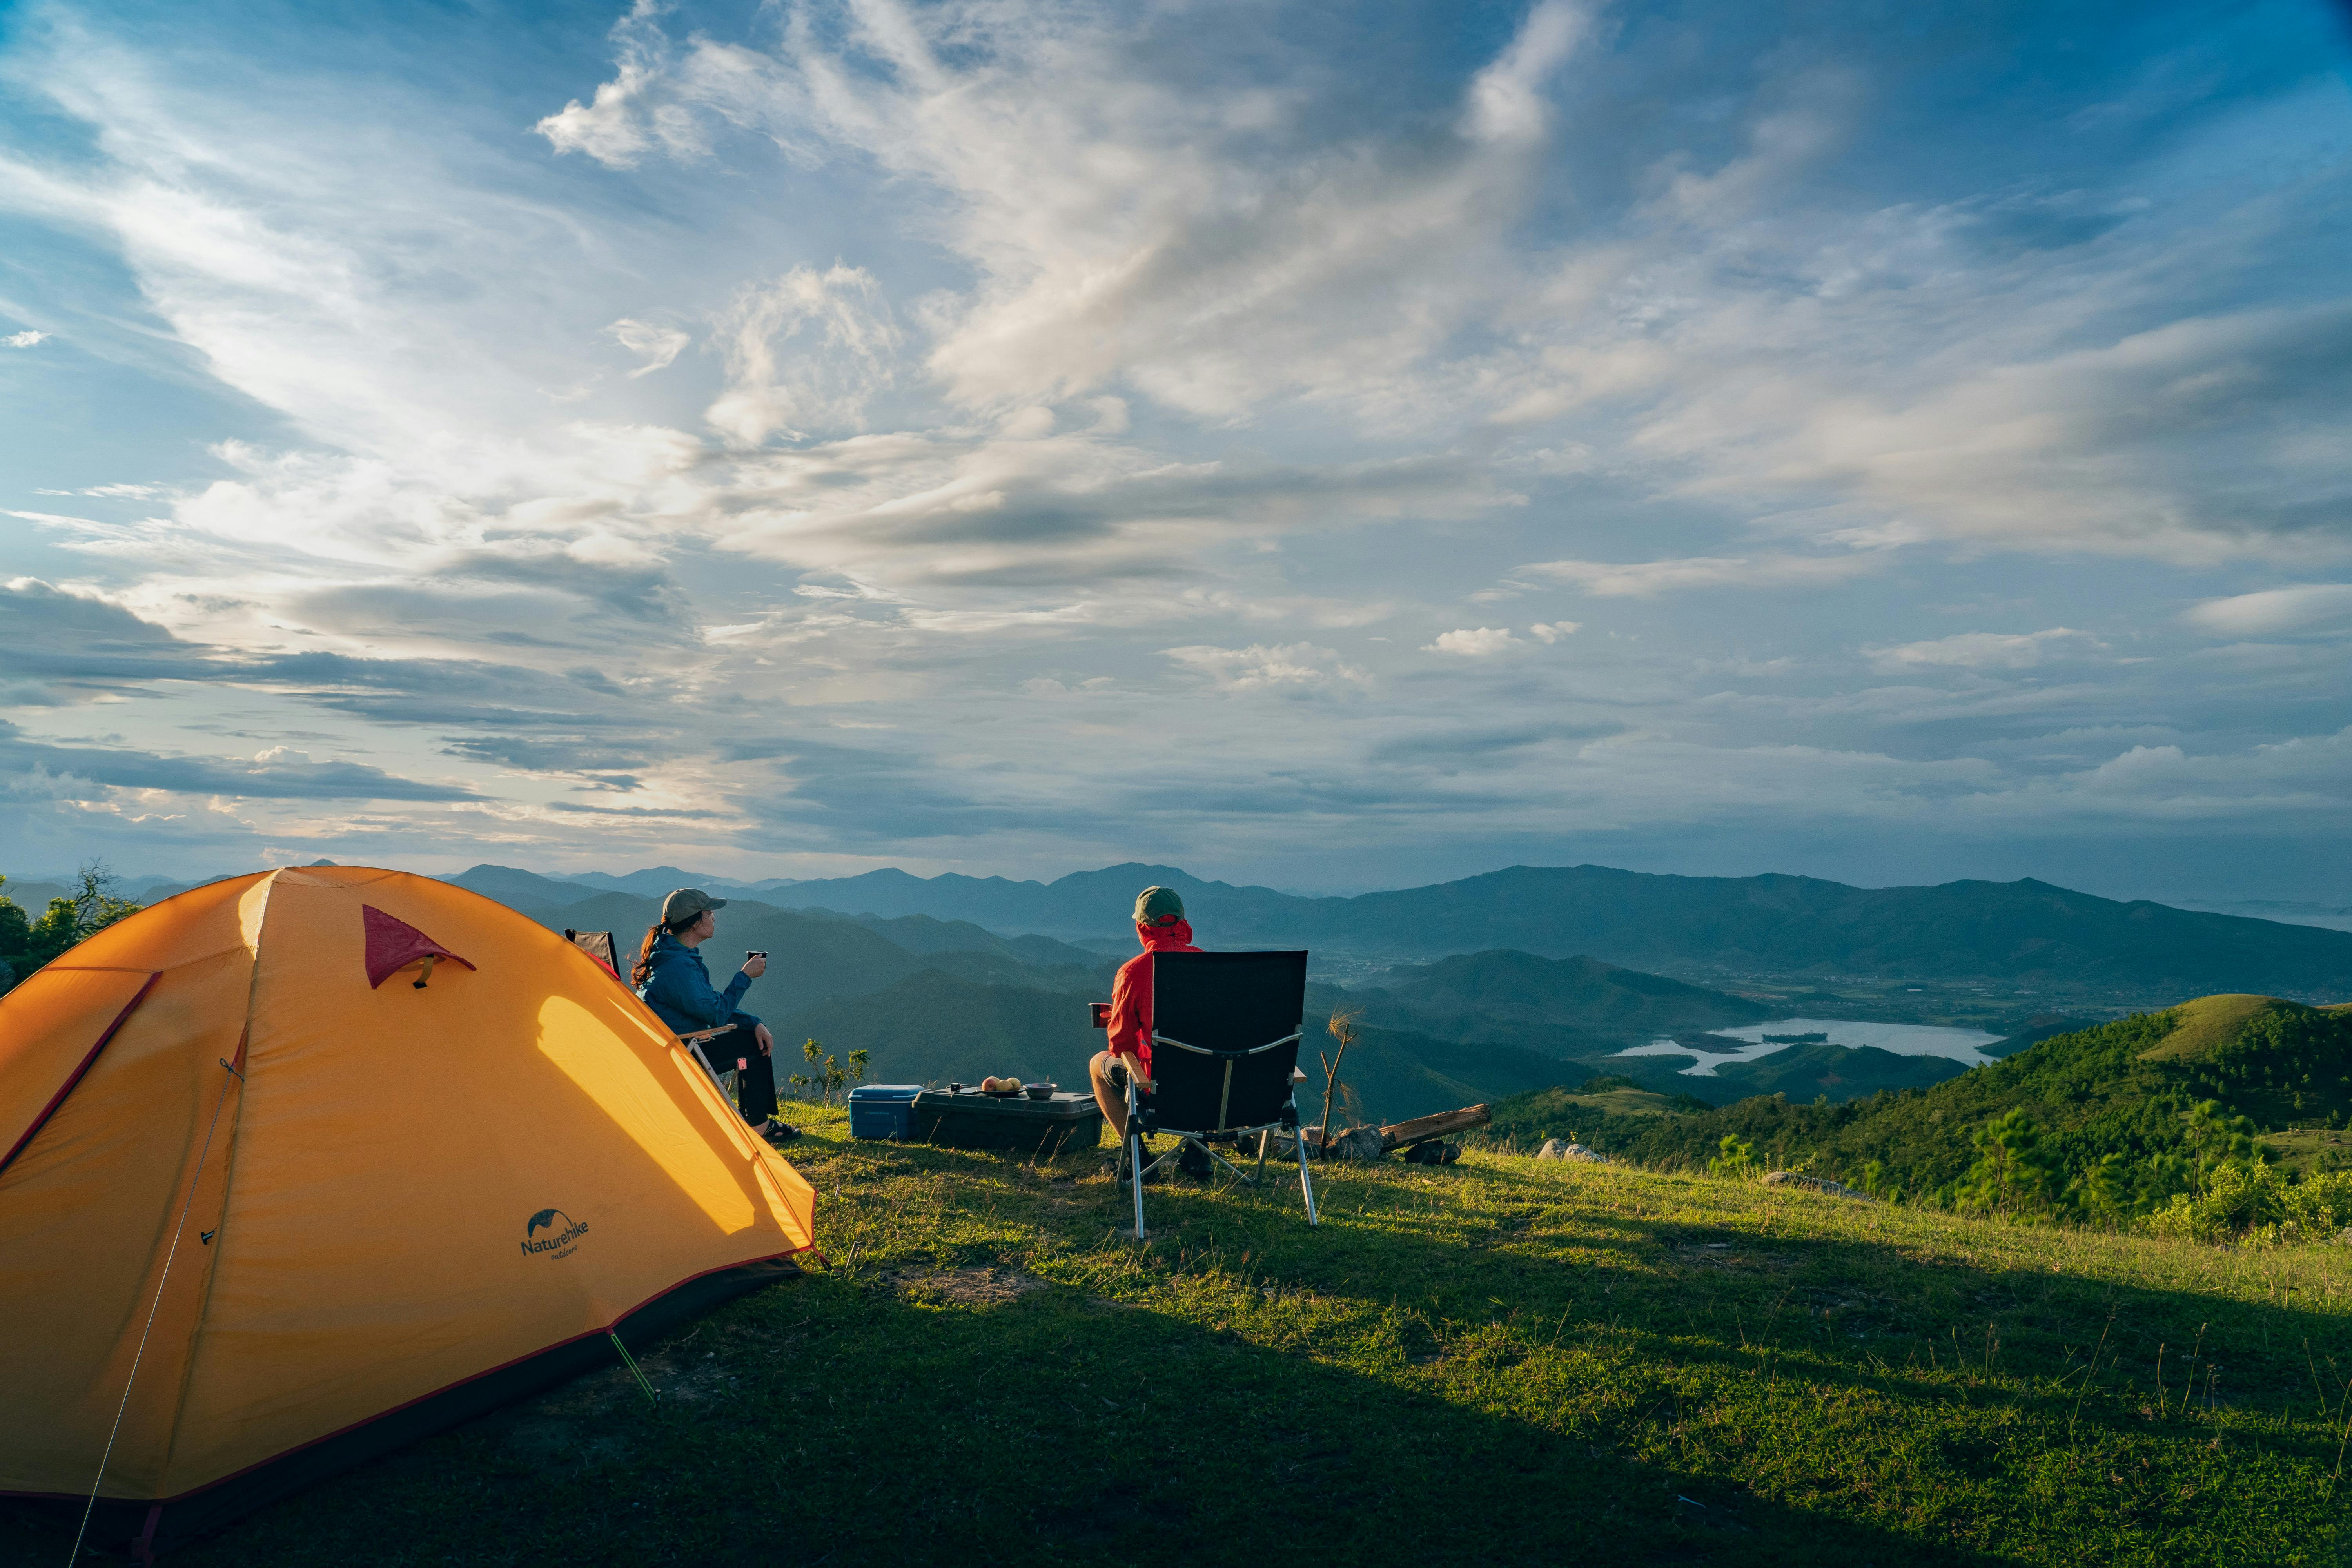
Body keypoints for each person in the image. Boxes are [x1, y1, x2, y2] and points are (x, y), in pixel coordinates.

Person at [633, 888, 798, 1144]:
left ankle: (754, 1119)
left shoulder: (672, 955)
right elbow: (718, 1015)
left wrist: (754, 1022)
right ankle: (758, 1125)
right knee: (751, 1047)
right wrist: (745, 976)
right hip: (683, 1050)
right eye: (709, 913)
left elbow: (708, 1004)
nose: (714, 918)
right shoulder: (679, 967)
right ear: (694, 922)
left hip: (675, 1045)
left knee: (749, 1039)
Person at [1089, 885, 1209, 1176]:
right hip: (1213, 1089)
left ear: (1143, 927)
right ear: (1182, 923)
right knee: (1204, 1058)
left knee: (1098, 1064)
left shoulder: (1134, 972)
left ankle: (1138, 1158)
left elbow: (1121, 1046)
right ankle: (1198, 1154)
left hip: (1160, 1091)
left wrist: (1124, 1014)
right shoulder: (1211, 965)